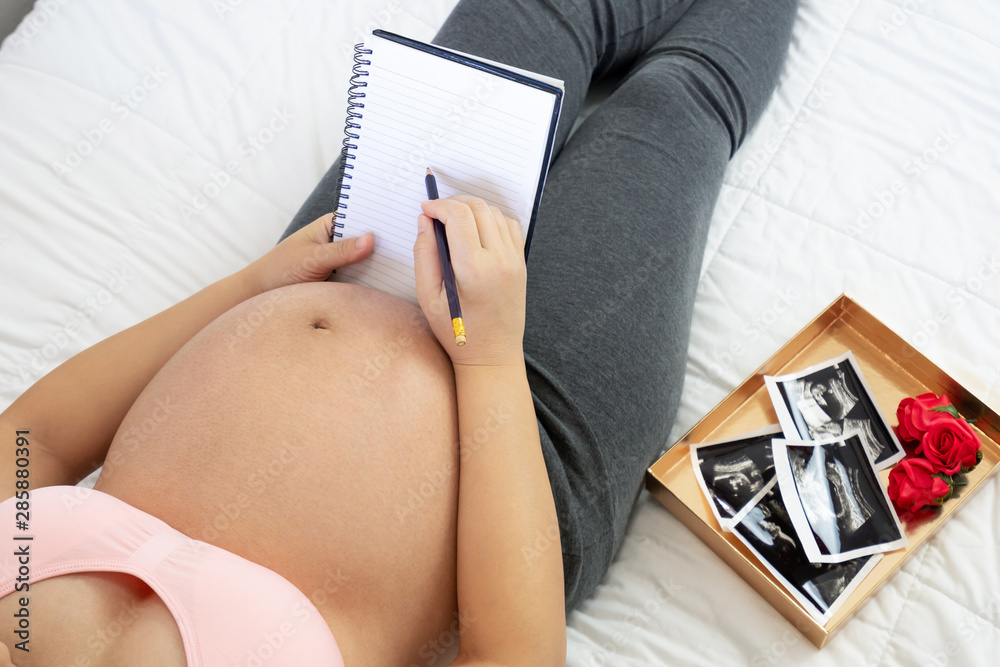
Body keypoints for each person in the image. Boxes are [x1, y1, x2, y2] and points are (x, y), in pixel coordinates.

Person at [0, 0, 798, 664]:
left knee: (528, 15)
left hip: (344, 262)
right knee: (680, 105)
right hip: (528, 433)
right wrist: (487, 357)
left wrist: (245, 288)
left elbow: (33, 440)